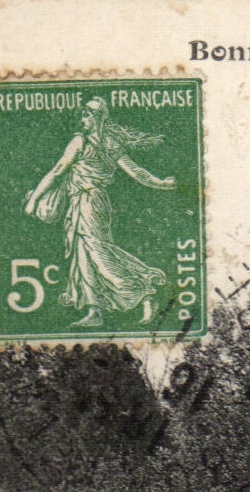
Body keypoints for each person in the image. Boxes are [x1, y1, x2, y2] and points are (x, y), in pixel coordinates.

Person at [24, 97, 175, 327]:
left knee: (96, 252)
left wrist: (34, 198)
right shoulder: (110, 143)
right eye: (82, 115)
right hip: (85, 202)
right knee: (83, 254)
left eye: (86, 115)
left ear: (96, 119)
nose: (82, 119)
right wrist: (160, 183)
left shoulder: (81, 141)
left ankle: (144, 292)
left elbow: (57, 171)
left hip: (89, 202)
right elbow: (138, 173)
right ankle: (94, 310)